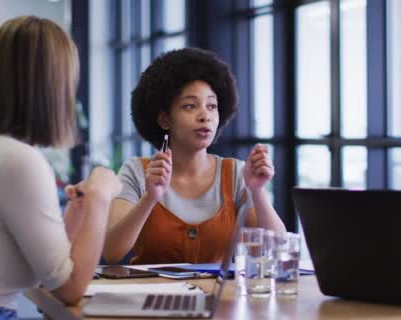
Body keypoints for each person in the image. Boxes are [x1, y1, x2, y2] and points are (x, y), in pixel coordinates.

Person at [0, 16, 122, 319]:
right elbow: (70, 288)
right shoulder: (18, 161)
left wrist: (77, 213)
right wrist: (100, 199)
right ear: (50, 87)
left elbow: (47, 272)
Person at [103, 47, 286, 265]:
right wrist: (150, 198)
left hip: (221, 297)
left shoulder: (236, 173)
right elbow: (112, 252)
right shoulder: (137, 171)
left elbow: (277, 247)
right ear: (164, 120)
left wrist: (257, 191)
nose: (205, 116)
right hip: (154, 296)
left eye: (212, 106)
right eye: (190, 106)